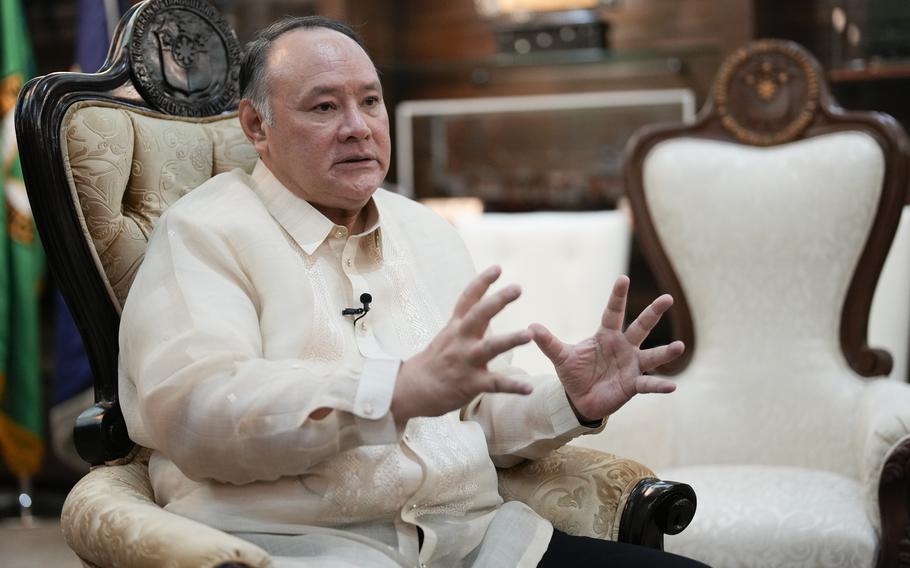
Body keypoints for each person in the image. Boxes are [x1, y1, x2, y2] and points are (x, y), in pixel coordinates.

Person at [118, 15, 707, 568]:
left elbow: (472, 420)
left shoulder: (426, 231)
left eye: (370, 101)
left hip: (481, 544)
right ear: (256, 126)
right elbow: (200, 415)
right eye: (324, 106)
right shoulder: (203, 233)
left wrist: (570, 400)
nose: (358, 127)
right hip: (307, 549)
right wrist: (391, 392)